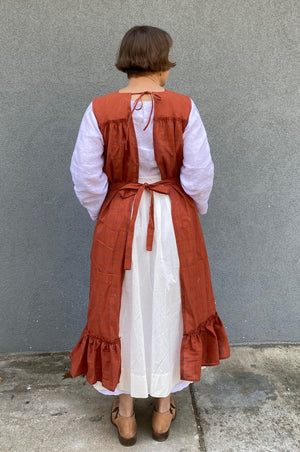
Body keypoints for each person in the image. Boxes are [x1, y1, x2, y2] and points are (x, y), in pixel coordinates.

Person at [69, 25, 230, 446]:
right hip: (173, 219)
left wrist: (105, 213)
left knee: (118, 307)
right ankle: (161, 410)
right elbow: (199, 174)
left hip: (120, 218)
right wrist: (192, 211)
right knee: (170, 303)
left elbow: (86, 176)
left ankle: (125, 414)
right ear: (161, 60)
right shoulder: (184, 107)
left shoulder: (99, 108)